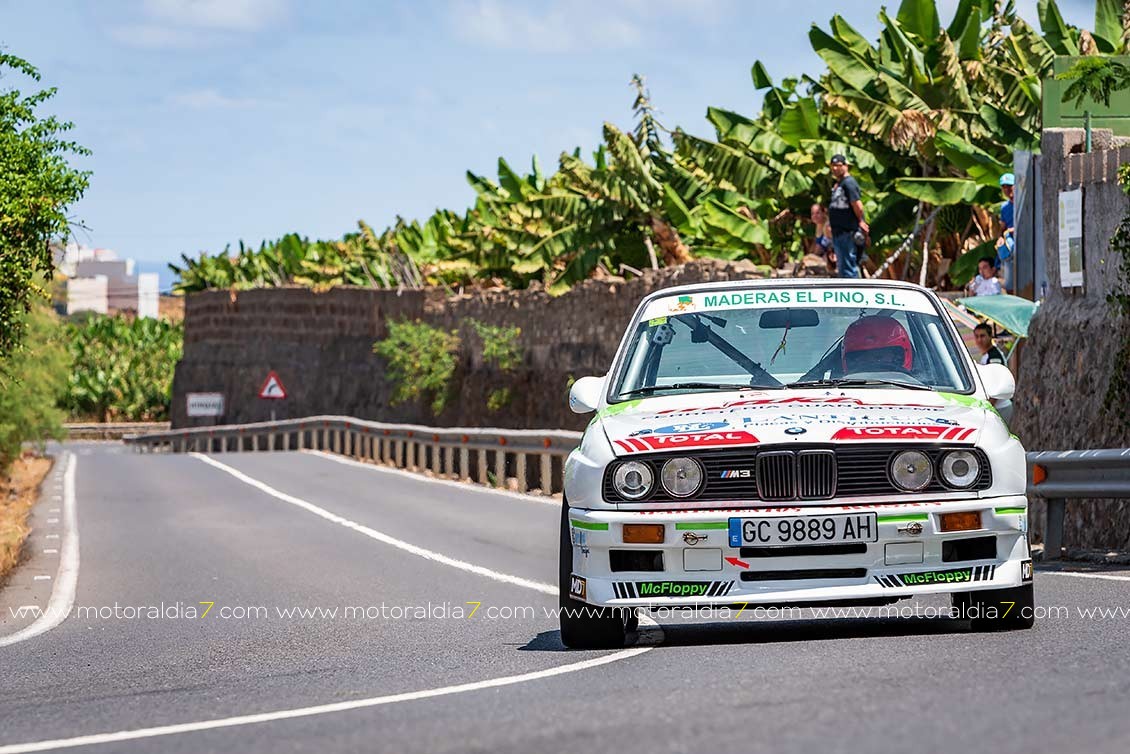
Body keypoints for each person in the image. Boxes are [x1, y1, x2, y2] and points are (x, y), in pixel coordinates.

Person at [827, 154, 868, 278]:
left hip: (848, 231)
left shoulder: (849, 183)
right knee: (843, 267)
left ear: (845, 166)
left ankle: (853, 292)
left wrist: (861, 221)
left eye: (838, 166)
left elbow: (857, 205)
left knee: (849, 268)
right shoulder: (839, 184)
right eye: (833, 166)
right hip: (839, 232)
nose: (835, 169)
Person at [996, 172, 1015, 292]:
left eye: (1009, 186)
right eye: (1004, 187)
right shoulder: (1004, 207)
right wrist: (1000, 238)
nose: (1007, 189)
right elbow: (1002, 227)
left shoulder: (1024, 203)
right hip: (1010, 244)